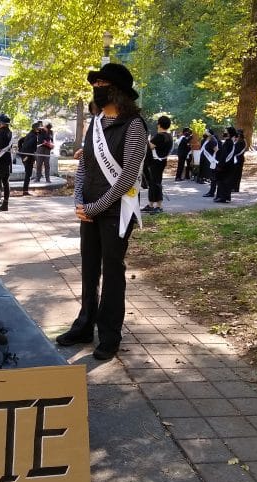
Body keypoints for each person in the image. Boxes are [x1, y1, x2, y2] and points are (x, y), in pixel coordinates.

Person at [55, 62, 148, 361]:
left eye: (103, 84)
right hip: (90, 209)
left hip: (115, 211)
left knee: (112, 270)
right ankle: (84, 326)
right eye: (95, 84)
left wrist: (95, 207)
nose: (97, 89)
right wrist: (79, 202)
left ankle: (109, 334)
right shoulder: (95, 123)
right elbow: (85, 165)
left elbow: (127, 176)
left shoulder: (134, 126)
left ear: (118, 91)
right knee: (89, 267)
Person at [141, 115, 172, 214]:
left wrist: (144, 138)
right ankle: (151, 204)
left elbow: (150, 146)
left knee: (155, 184)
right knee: (153, 183)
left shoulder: (159, 136)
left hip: (155, 162)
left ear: (159, 124)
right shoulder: (169, 136)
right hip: (161, 161)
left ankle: (159, 205)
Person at [214, 126, 237, 203]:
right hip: (224, 164)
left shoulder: (229, 143)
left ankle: (224, 197)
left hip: (227, 165)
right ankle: (220, 196)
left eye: (226, 131)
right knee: (221, 181)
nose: (224, 132)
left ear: (229, 133)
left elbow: (227, 156)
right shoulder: (227, 142)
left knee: (225, 181)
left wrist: (221, 164)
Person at [19, 121, 41, 195]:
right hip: (28, 157)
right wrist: (27, 156)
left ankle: (25, 190)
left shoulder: (29, 134)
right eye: (39, 128)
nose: (40, 129)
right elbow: (29, 146)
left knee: (28, 174)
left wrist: (21, 151)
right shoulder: (34, 136)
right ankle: (25, 191)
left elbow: (20, 141)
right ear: (36, 129)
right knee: (28, 174)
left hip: (25, 156)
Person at [200, 128, 219, 196]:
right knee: (211, 177)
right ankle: (211, 191)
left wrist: (213, 158)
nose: (205, 132)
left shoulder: (212, 140)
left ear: (209, 133)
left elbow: (216, 150)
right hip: (207, 160)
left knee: (212, 177)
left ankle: (211, 192)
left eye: (206, 131)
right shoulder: (207, 139)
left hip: (211, 160)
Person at [231, 128, 247, 194]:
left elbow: (237, 151)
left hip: (239, 159)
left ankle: (235, 188)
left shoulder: (241, 141)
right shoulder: (237, 141)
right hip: (236, 159)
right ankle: (233, 187)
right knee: (234, 174)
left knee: (237, 174)